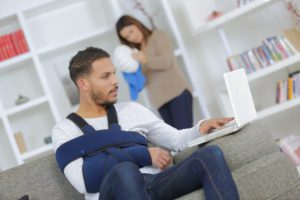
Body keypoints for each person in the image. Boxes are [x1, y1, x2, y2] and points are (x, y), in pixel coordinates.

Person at [52, 47, 239, 200]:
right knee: (125, 172)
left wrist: (200, 128)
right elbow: (84, 182)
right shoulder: (65, 130)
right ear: (83, 84)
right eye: (105, 76)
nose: (116, 81)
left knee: (209, 155)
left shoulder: (133, 110)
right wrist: (142, 154)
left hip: (154, 183)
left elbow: (176, 140)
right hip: (111, 194)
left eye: (114, 74)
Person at [116, 15, 193, 129]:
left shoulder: (158, 36)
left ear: (137, 24)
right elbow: (142, 79)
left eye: (131, 31)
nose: (131, 37)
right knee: (175, 142)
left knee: (186, 135)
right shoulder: (135, 52)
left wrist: (145, 59)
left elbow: (166, 62)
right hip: (160, 102)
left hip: (177, 93)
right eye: (127, 37)